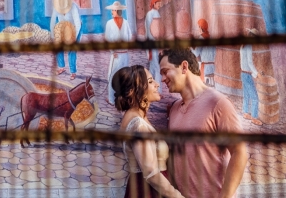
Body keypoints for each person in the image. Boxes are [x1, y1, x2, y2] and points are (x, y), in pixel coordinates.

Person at [159, 48, 247, 198]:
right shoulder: (174, 109)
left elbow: (240, 152)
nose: (162, 78)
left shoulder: (217, 103)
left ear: (184, 67)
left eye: (165, 71)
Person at [112, 65, 184, 198]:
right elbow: (151, 174)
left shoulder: (138, 118)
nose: (157, 84)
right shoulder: (138, 125)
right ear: (133, 91)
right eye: (150, 82)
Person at [105, 1, 133, 105]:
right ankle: (115, 98)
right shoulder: (121, 22)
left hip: (119, 54)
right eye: (112, 10)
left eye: (113, 10)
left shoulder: (122, 22)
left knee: (115, 76)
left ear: (117, 11)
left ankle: (115, 99)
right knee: (119, 75)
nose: (112, 11)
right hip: (122, 53)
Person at [51, 0, 82, 80]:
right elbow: (55, 21)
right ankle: (61, 67)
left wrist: (73, 38)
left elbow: (77, 23)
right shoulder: (56, 8)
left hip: (76, 28)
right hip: (65, 27)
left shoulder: (73, 7)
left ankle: (73, 72)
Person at [241, 28, 262, 126]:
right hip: (247, 74)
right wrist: (256, 73)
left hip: (242, 73)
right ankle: (254, 117)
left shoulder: (243, 45)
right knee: (254, 97)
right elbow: (249, 62)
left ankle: (245, 113)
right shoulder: (248, 46)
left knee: (246, 95)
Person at [145, 0, 163, 93]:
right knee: (157, 67)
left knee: (152, 67)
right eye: (158, 3)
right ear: (154, 3)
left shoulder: (148, 14)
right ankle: (158, 90)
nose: (160, 5)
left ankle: (149, 88)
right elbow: (155, 30)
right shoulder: (155, 14)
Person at [193, 19, 215, 86]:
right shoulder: (211, 37)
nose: (198, 28)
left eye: (198, 26)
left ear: (201, 27)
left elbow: (196, 53)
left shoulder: (201, 38)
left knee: (205, 86)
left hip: (205, 67)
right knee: (212, 86)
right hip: (213, 66)